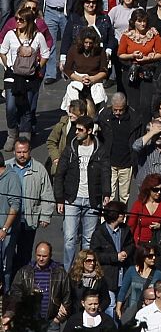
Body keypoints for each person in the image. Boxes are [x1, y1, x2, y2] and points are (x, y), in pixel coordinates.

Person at [53, 115, 111, 268]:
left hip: (92, 200)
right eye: (76, 129)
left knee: (88, 240)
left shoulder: (100, 150)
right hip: (72, 199)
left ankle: (83, 270)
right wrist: (59, 199)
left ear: (90, 131)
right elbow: (59, 174)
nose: (76, 132)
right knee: (69, 238)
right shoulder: (70, 149)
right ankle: (67, 271)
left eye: (80, 129)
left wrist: (106, 193)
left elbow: (106, 172)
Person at [8, 241, 70, 332]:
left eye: (44, 256)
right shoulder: (25, 271)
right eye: (38, 255)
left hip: (51, 322)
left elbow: (67, 296)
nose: (41, 258)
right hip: (32, 322)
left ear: (50, 255)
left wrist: (59, 318)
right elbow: (15, 292)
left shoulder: (59, 273)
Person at [0, 8, 49, 145]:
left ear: (29, 21)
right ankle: (12, 133)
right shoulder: (10, 34)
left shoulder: (38, 37)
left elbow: (45, 53)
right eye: (16, 19)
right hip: (12, 76)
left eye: (21, 20)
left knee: (26, 107)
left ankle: (24, 135)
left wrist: (38, 67)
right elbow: (2, 51)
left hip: (30, 77)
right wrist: (8, 65)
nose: (18, 22)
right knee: (10, 107)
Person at [8, 137, 54, 277]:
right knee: (7, 253)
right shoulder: (6, 167)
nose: (21, 155)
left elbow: (47, 194)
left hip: (29, 220)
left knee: (24, 254)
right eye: (18, 152)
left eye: (24, 152)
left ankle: (22, 282)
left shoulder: (39, 169)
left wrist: (45, 215)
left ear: (30, 151)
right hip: (9, 220)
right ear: (14, 152)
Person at [117, 8, 161, 119]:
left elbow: (160, 53)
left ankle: (145, 129)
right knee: (134, 105)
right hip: (131, 72)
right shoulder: (127, 36)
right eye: (139, 21)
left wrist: (148, 58)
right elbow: (120, 54)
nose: (143, 24)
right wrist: (132, 55)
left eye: (144, 21)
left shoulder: (153, 34)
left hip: (147, 72)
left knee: (146, 104)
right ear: (134, 22)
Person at [90, 200, 134, 316]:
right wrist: (115, 257)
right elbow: (95, 254)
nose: (124, 216)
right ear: (116, 215)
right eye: (122, 213)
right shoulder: (99, 233)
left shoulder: (125, 230)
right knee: (110, 305)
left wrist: (126, 252)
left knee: (121, 306)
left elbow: (131, 245)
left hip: (122, 276)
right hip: (108, 277)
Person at [116, 242, 161, 323]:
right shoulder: (131, 270)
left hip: (150, 313)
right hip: (132, 311)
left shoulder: (157, 274)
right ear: (142, 256)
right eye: (150, 256)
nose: (154, 258)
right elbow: (123, 291)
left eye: (154, 255)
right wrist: (118, 308)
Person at [127, 173, 161, 246]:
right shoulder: (138, 205)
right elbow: (131, 226)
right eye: (156, 189)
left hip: (159, 245)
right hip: (140, 245)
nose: (159, 192)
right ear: (148, 189)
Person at [68, 248, 111, 314]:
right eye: (89, 261)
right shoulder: (73, 277)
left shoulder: (99, 278)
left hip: (95, 313)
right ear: (81, 262)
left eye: (93, 260)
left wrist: (99, 309)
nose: (92, 263)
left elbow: (106, 299)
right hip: (76, 314)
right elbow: (69, 297)